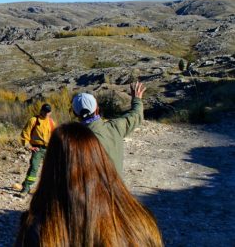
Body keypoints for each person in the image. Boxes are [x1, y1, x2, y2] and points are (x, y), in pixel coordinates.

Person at [15, 122, 162, 246]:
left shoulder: (39, 231)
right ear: (101, 159)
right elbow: (25, 134)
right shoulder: (141, 220)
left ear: (50, 167)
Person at [73, 81, 146, 175]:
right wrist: (137, 99)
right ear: (97, 109)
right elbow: (136, 115)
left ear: (75, 113)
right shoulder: (115, 128)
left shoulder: (73, 140)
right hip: (116, 188)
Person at [15, 103, 56, 197]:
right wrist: (29, 147)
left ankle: (48, 190)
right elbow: (25, 134)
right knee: (34, 168)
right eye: (45, 111)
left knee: (50, 169)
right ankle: (26, 188)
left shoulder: (51, 122)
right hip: (37, 148)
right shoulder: (33, 120)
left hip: (49, 149)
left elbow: (54, 135)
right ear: (41, 111)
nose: (46, 114)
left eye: (48, 112)